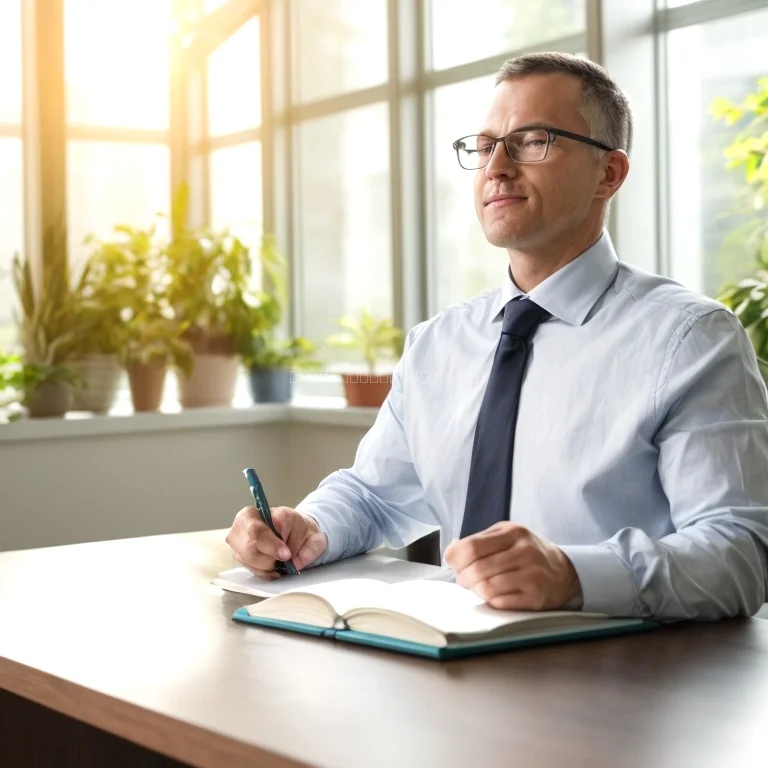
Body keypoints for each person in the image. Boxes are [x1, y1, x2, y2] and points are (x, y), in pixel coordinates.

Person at [226, 52, 768, 621]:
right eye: (485, 146)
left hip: (620, 686)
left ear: (608, 174)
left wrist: (574, 575)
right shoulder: (439, 343)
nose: (497, 167)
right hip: (448, 666)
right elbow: (374, 494)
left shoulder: (691, 340)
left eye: (533, 141)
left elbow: (739, 553)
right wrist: (308, 528)